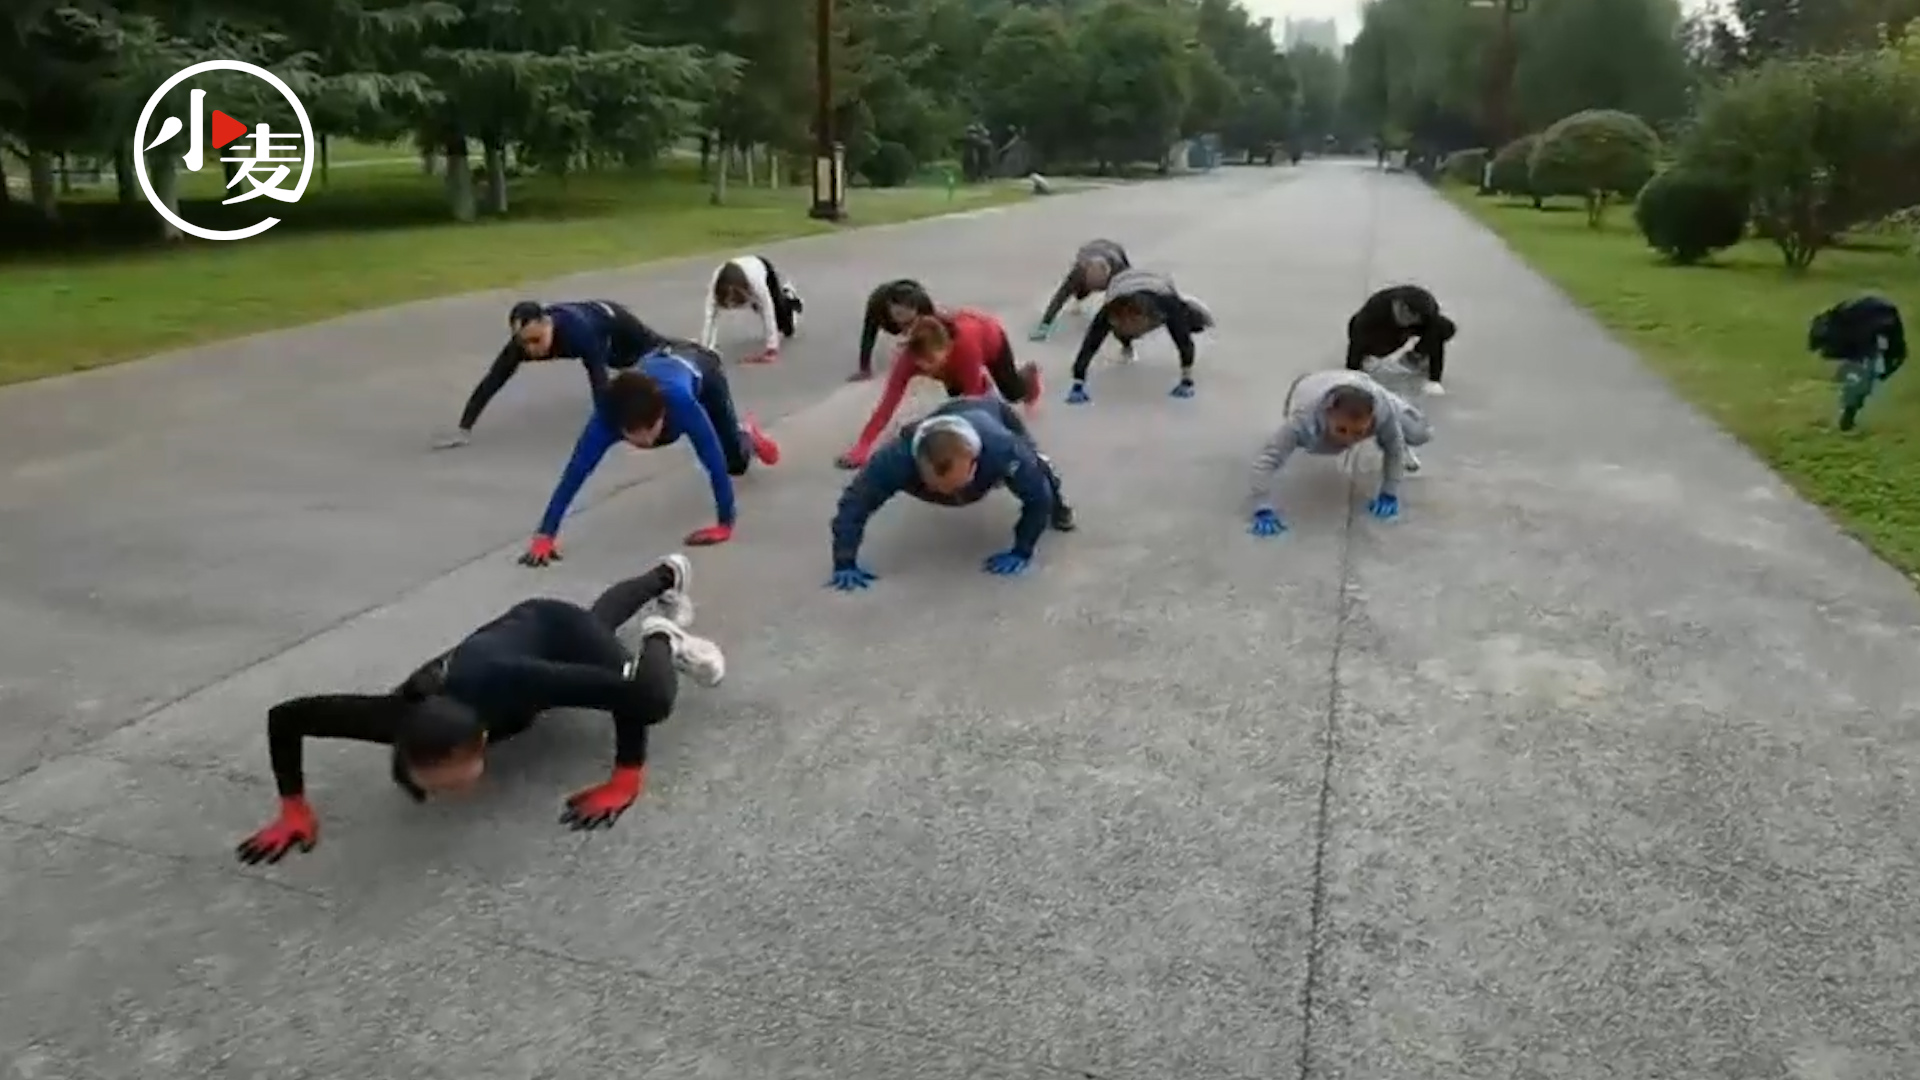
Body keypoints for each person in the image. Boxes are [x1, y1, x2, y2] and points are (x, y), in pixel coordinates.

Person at [233, 554, 723, 864]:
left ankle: (664, 631)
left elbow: (636, 698)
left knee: (642, 684)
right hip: (507, 638)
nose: (449, 793)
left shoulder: (523, 684)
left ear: (482, 740)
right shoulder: (399, 719)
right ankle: (666, 573)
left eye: (450, 781)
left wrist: (625, 778)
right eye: (434, 783)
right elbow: (287, 717)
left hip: (551, 630)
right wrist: (293, 808)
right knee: (601, 621)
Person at [522, 345, 780, 563]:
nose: (648, 442)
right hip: (656, 364)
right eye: (637, 435)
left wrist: (725, 523)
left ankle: (746, 434)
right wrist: (546, 533)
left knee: (733, 462)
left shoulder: (682, 404)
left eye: (652, 429)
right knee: (583, 461)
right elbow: (575, 472)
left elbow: (711, 458)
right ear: (620, 427)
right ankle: (739, 435)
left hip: (704, 371)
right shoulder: (605, 420)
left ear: (663, 415)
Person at [827, 396, 1075, 591]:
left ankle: (1062, 511)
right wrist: (844, 560)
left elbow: (1038, 496)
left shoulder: (1002, 447)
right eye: (940, 487)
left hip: (990, 413)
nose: (951, 493)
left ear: (975, 463)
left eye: (957, 484)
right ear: (919, 466)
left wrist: (1023, 549)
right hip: (944, 422)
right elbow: (855, 503)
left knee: (1038, 471)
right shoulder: (895, 460)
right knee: (869, 489)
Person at [435, 299, 673, 448]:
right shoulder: (522, 346)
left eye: (536, 340)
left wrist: (608, 428)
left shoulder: (578, 333)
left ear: (548, 324)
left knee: (652, 355)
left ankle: (695, 351)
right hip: (600, 336)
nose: (531, 349)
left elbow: (598, 381)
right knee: (621, 363)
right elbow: (493, 380)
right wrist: (464, 428)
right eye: (524, 342)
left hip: (614, 321)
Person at [834, 311, 1042, 470]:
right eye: (921, 363)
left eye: (931, 361)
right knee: (958, 401)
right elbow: (887, 404)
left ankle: (1029, 377)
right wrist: (862, 447)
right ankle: (977, 383)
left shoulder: (965, 348)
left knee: (1010, 394)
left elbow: (979, 406)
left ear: (947, 346)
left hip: (989, 338)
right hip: (954, 364)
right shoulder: (908, 360)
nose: (926, 367)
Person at [1246, 369, 1432, 537]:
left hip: (1363, 384)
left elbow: (1394, 449)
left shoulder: (1383, 412)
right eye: (1342, 430)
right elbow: (1266, 461)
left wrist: (1389, 491)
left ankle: (1398, 400)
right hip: (1310, 385)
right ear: (1328, 413)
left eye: (1359, 433)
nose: (1349, 440)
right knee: (1298, 440)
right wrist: (1262, 507)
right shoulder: (1302, 420)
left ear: (1372, 419)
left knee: (1420, 433)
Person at [1345, 285, 1457, 396]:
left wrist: (1434, 379)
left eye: (1412, 318)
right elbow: (1357, 337)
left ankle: (1417, 355)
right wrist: (1353, 371)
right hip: (1381, 328)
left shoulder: (1428, 315)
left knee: (1444, 329)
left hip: (1413, 329)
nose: (1406, 320)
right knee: (1372, 340)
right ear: (1398, 304)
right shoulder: (1377, 306)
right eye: (1404, 314)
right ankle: (1368, 354)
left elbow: (1436, 344)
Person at [701, 255, 804, 364]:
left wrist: (771, 347)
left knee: (785, 326)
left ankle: (788, 296)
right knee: (755, 304)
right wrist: (706, 349)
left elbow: (767, 310)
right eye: (727, 299)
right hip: (743, 278)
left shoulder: (756, 282)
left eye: (733, 298)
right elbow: (710, 317)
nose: (730, 304)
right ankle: (759, 301)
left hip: (762, 267)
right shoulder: (715, 286)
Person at [1031, 239, 1130, 341]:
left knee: (1120, 302)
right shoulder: (1078, 272)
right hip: (1092, 250)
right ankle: (1079, 298)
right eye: (1092, 284)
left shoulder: (1119, 272)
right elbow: (1060, 298)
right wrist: (1044, 326)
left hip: (1114, 251)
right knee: (1076, 291)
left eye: (1097, 285)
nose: (1094, 288)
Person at [853, 278, 937, 382]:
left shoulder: (922, 302)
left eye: (909, 322)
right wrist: (864, 368)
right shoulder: (876, 306)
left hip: (911, 299)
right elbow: (868, 336)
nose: (905, 326)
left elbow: (936, 331)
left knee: (925, 334)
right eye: (900, 316)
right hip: (885, 307)